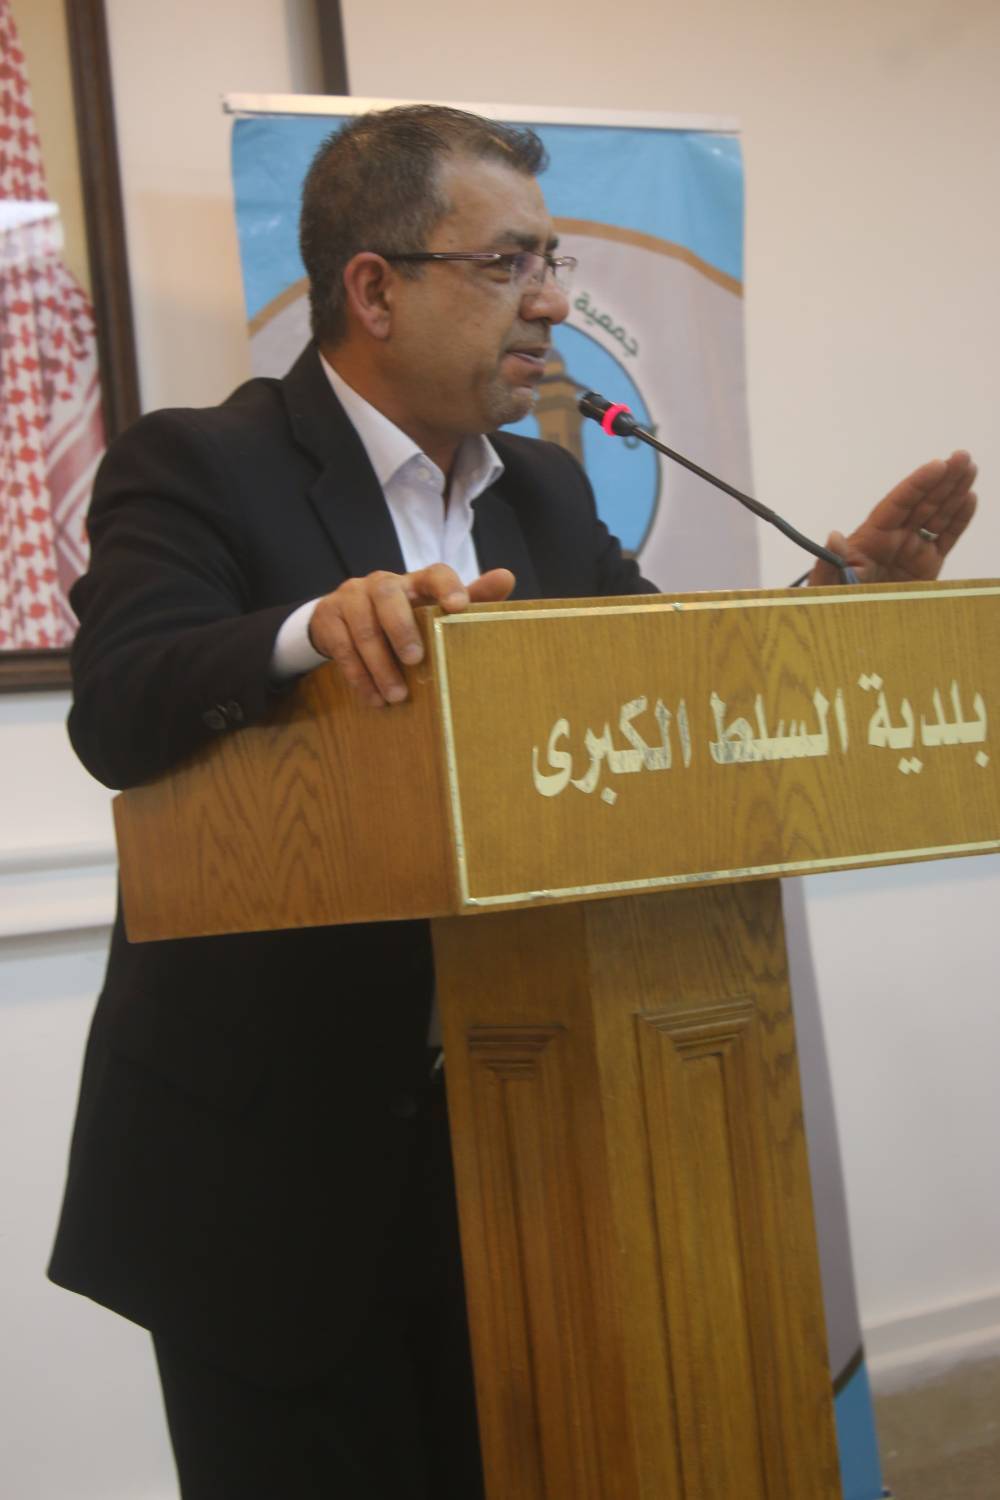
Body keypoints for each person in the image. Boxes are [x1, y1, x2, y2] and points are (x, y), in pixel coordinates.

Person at [48, 105, 978, 1500]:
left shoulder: (540, 492)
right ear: (374, 289)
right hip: (275, 1169)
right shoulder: (199, 464)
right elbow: (120, 703)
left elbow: (661, 702)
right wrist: (312, 629)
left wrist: (835, 601)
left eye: (553, 262)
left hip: (528, 1133)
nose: (551, 301)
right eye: (509, 264)